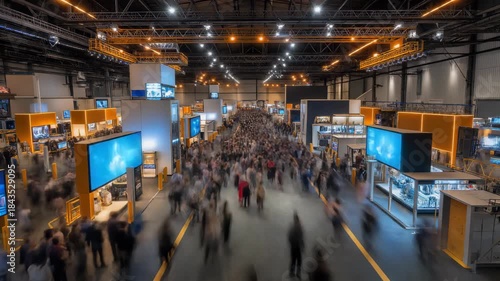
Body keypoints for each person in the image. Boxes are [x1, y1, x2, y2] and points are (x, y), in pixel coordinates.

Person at [288, 212, 304, 278]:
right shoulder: (299, 227)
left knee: (293, 260)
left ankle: (291, 272)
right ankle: (298, 272)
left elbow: (289, 236)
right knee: (299, 260)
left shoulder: (292, 226)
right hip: (297, 246)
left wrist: (291, 243)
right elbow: (301, 237)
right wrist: (302, 245)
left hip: (293, 246)